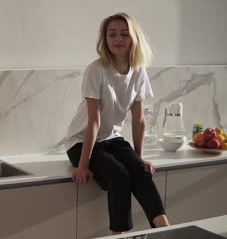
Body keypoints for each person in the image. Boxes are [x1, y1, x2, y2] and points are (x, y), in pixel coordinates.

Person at [66, 13, 170, 234]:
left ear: (134, 38)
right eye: (112, 34)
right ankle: (119, 235)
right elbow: (94, 121)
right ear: (104, 39)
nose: (118, 39)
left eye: (124, 34)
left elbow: (138, 119)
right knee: (119, 176)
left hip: (112, 139)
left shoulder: (139, 71)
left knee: (140, 171)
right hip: (81, 142)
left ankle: (165, 229)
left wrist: (139, 157)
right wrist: (82, 165)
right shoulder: (96, 70)